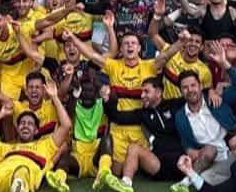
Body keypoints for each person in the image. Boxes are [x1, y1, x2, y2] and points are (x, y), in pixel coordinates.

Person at [66, 28, 186, 178]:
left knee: (139, 169)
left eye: (133, 43)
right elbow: (91, 55)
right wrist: (73, 37)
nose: (130, 46)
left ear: (139, 48)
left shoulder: (149, 66)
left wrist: (181, 42)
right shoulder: (114, 66)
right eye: (126, 44)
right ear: (121, 49)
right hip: (117, 129)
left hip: (140, 128)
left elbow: (166, 55)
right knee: (116, 172)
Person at [171, 45, 236, 192]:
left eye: (193, 85)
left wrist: (224, 63)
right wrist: (197, 153)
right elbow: (187, 146)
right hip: (216, 161)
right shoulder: (181, 117)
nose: (190, 90)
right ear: (181, 91)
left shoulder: (217, 100)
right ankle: (190, 179)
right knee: (206, 178)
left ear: (200, 86)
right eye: (185, 88)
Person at [101, 77, 186, 192]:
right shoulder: (143, 113)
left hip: (182, 162)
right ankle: (126, 184)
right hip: (158, 165)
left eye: (146, 91)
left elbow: (197, 95)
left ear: (158, 92)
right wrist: (107, 100)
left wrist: (214, 91)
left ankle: (187, 183)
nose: (142, 96)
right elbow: (117, 117)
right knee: (133, 148)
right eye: (142, 92)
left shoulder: (175, 105)